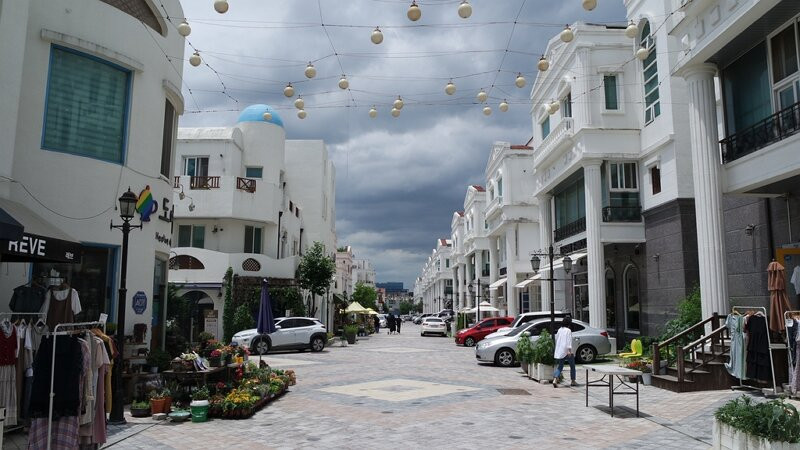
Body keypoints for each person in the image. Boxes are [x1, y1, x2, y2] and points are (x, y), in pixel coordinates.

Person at [553, 317, 577, 388]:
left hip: (560, 351)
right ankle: (573, 380)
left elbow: (557, 339)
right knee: (572, 366)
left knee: (560, 366)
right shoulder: (568, 330)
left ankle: (555, 379)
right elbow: (569, 340)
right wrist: (569, 350)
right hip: (567, 350)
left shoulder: (560, 330)